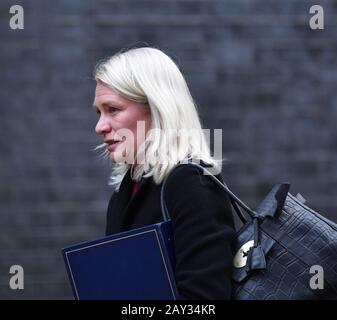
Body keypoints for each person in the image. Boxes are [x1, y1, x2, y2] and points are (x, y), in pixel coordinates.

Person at [92, 47, 236, 299]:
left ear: (157, 107)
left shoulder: (193, 184)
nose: (99, 126)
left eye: (113, 109)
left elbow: (205, 301)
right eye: (98, 112)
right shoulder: (124, 193)